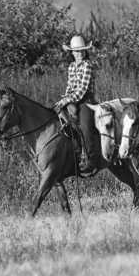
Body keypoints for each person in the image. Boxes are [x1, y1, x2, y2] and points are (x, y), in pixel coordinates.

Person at [53, 34, 101, 175]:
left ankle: (91, 159)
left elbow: (81, 90)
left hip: (86, 101)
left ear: (85, 51)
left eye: (81, 51)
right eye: (76, 51)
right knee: (58, 119)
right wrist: (64, 99)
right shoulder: (71, 67)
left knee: (85, 126)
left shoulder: (87, 65)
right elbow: (70, 87)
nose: (79, 53)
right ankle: (71, 154)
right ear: (72, 53)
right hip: (72, 100)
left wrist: (66, 100)